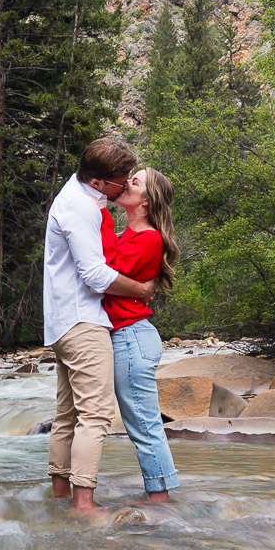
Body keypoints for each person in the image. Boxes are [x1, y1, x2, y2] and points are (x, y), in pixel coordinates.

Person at [43, 138, 157, 517]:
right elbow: (94, 275)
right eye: (121, 180)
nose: (126, 185)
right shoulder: (81, 208)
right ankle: (84, 504)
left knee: (68, 415)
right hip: (82, 322)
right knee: (95, 415)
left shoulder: (77, 194)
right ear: (99, 182)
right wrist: (141, 289)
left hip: (61, 322)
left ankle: (60, 496)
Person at [101, 168, 181, 500]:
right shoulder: (130, 235)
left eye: (134, 182)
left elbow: (105, 267)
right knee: (142, 425)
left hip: (132, 338)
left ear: (145, 203)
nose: (126, 184)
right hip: (127, 337)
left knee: (145, 427)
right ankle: (161, 498)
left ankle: (161, 502)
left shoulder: (148, 238)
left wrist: (100, 210)